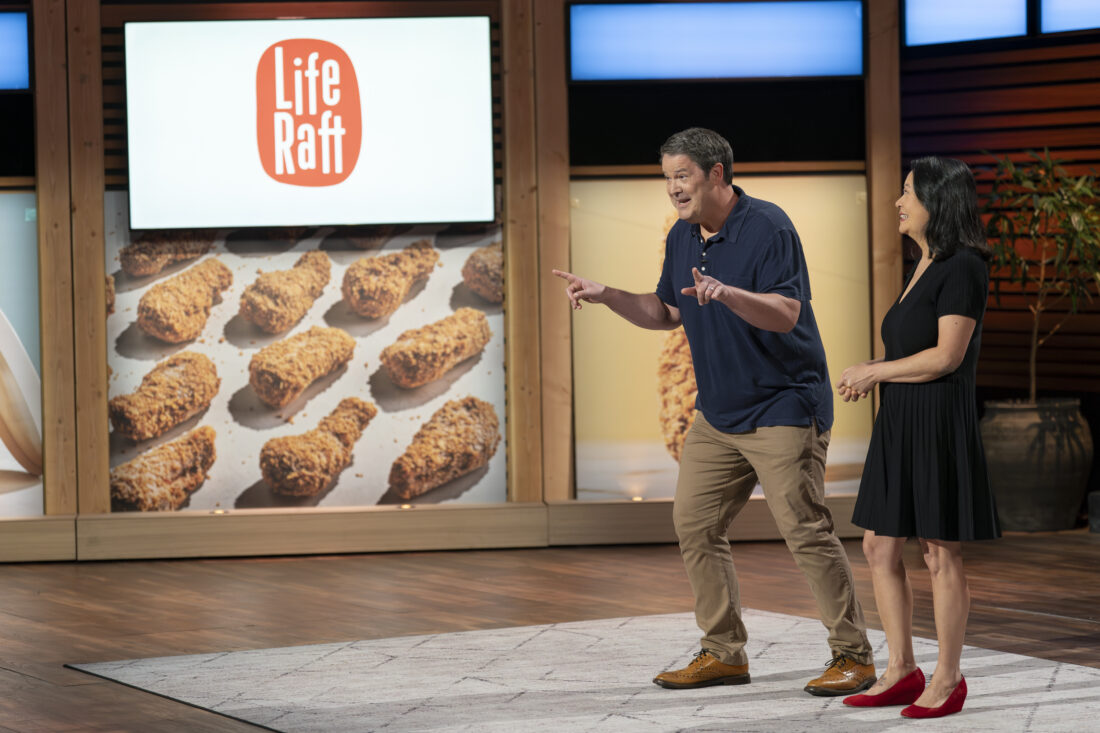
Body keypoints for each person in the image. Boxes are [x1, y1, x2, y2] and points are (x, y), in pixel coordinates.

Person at [553, 127, 874, 696]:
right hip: (719, 414)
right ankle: (724, 652)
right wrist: (606, 294)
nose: (673, 189)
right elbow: (664, 311)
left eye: (682, 176)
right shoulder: (681, 236)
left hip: (784, 405)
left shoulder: (769, 225)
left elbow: (785, 312)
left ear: (717, 174)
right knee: (695, 525)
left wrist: (728, 294)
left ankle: (853, 656)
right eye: (667, 178)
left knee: (804, 530)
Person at [836, 156, 1000, 719]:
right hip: (901, 420)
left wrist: (875, 370)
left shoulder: (964, 266)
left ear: (938, 200)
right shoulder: (924, 264)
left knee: (938, 551)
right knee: (878, 545)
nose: (898, 203)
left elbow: (946, 356)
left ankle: (949, 679)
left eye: (907, 193)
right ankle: (901, 670)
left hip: (936, 421)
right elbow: (914, 348)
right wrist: (877, 369)